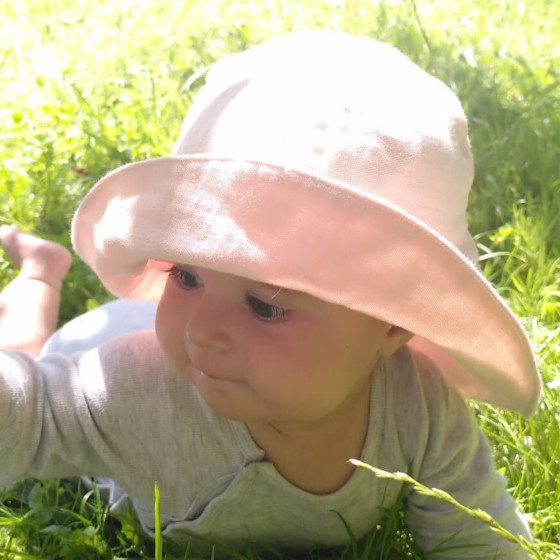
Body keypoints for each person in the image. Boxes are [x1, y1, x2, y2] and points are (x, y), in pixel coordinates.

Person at [0, 31, 541, 558]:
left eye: (265, 305)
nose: (200, 329)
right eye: (185, 275)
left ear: (394, 322)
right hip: (94, 347)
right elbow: (30, 413)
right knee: (23, 351)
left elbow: (481, 536)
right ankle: (39, 277)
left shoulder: (421, 409)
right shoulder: (131, 389)